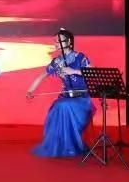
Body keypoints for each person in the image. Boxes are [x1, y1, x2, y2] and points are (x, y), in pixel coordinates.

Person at [27, 29, 95, 157]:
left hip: (81, 99)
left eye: (59, 41)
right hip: (65, 97)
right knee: (58, 106)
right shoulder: (56, 62)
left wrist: (73, 71)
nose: (56, 44)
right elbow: (42, 75)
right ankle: (61, 146)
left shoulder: (80, 57)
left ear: (69, 42)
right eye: (55, 41)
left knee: (63, 106)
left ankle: (71, 146)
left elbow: (93, 73)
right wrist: (30, 90)